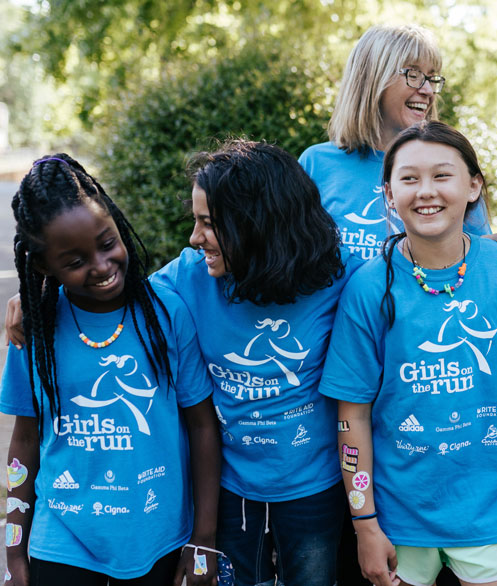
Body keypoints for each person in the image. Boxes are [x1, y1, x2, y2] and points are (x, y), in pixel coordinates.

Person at [318, 121, 497, 586]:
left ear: (473, 185)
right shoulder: (368, 287)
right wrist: (365, 525)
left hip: (489, 511)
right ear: (388, 193)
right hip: (399, 519)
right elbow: (352, 414)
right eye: (409, 179)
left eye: (442, 175)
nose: (426, 192)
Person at [0, 155, 221, 585]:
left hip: (158, 540)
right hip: (61, 543)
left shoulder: (166, 313)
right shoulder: (34, 328)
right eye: (75, 261)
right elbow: (24, 440)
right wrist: (14, 550)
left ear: (117, 224)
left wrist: (204, 538)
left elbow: (202, 428)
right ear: (44, 269)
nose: (100, 266)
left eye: (106, 243)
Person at [151, 139, 360, 586]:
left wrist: (484, 245)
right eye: (196, 221)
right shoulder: (189, 276)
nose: (194, 238)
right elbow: (112, 299)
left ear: (257, 223)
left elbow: (418, 275)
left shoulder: (340, 277)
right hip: (228, 488)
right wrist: (40, 300)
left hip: (315, 488)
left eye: (209, 224)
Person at [298, 23, 497, 271]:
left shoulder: (451, 168)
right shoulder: (316, 164)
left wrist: (496, 250)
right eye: (413, 74)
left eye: (431, 77)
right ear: (372, 78)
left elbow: (469, 259)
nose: (428, 90)